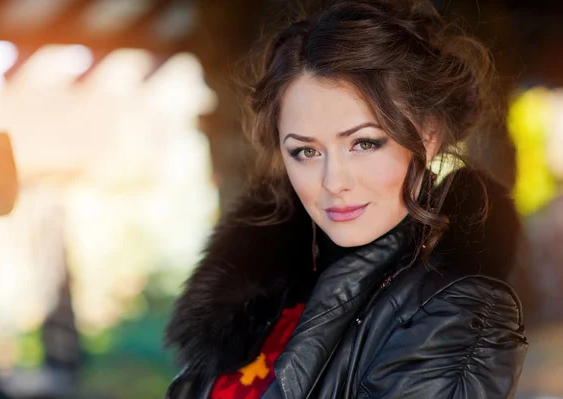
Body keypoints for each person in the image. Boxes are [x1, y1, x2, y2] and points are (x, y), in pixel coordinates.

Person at [164, 0, 528, 397]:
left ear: (429, 135)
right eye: (306, 151)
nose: (334, 181)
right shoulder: (253, 296)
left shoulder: (453, 312)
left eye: (364, 143)